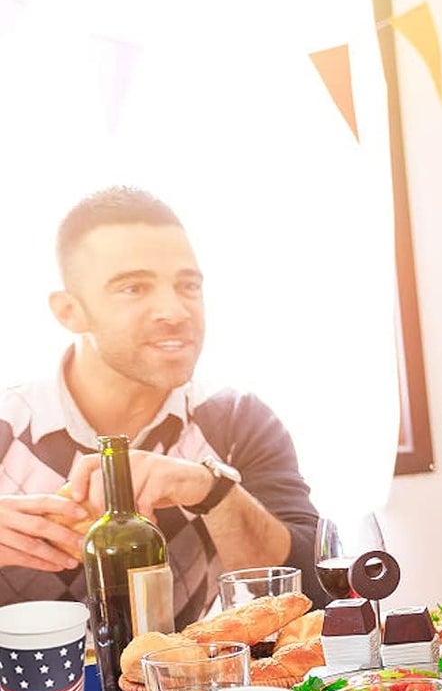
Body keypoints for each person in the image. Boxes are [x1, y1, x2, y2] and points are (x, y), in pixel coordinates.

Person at [0, 187, 324, 629]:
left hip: (178, 676)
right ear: (69, 311)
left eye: (188, 286)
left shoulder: (236, 422)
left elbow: (311, 595)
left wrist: (212, 491)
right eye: (133, 288)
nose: (175, 311)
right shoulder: (7, 424)